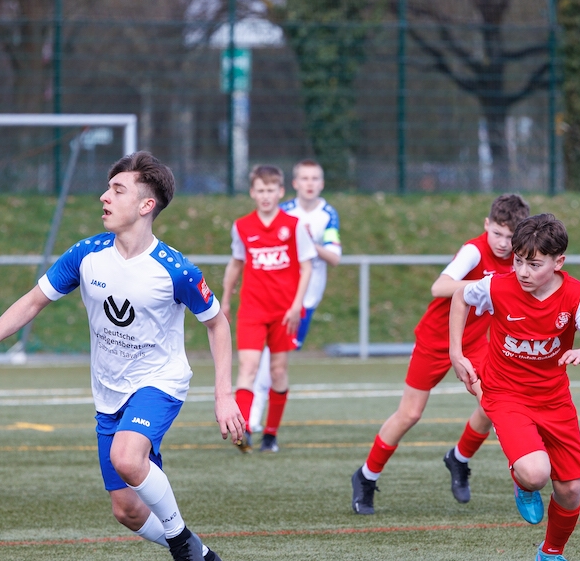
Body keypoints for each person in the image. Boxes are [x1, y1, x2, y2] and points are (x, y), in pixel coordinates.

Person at [0, 151, 244, 561]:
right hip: (109, 392)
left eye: (117, 190)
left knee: (127, 458)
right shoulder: (86, 255)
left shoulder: (175, 269)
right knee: (127, 510)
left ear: (146, 205)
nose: (104, 197)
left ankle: (185, 555)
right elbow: (32, 302)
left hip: (159, 381)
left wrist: (223, 394)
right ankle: (203, 555)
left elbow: (217, 323)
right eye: (108, 188)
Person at [450, 213, 580, 561]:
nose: (522, 271)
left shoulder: (575, 295)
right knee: (536, 474)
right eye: (518, 260)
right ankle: (522, 480)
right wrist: (456, 353)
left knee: (570, 489)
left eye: (534, 264)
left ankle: (550, 555)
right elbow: (459, 295)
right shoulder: (497, 286)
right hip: (505, 394)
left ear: (558, 262)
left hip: (554, 399)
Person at [350, 194, 529, 514]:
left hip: (474, 342)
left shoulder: (519, 259)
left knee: (493, 404)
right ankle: (365, 477)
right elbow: (439, 287)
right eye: (497, 233)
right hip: (435, 340)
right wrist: (485, 284)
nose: (503, 243)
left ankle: (460, 458)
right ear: (486, 225)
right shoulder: (474, 251)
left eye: (510, 236)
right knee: (410, 414)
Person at [221, 164, 316, 453]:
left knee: (278, 371)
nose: (265, 195)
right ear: (252, 192)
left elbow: (307, 267)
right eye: (260, 190)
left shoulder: (294, 226)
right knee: (247, 367)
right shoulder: (242, 226)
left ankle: (271, 435)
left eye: (270, 190)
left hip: (284, 312)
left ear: (280, 192)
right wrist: (225, 299)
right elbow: (236, 262)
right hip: (252, 309)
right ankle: (243, 431)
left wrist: (297, 305)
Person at [248, 160, 341, 436]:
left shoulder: (327, 215)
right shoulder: (284, 211)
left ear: (321, 183)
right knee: (269, 356)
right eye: (305, 178)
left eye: (315, 178)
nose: (310, 183)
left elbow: (334, 256)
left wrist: (309, 243)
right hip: (278, 297)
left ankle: (261, 419)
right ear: (295, 183)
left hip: (307, 299)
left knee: (277, 360)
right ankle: (253, 417)